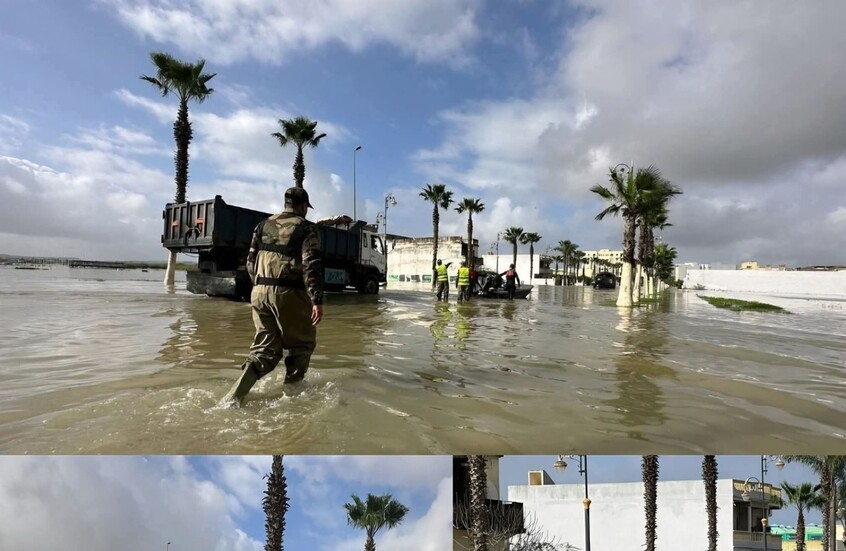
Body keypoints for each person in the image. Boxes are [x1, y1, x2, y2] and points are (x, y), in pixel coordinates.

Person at [221, 186, 324, 408]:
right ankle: (293, 398)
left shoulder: (262, 225)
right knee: (302, 346)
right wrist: (316, 300)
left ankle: (233, 397)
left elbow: (250, 262)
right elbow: (311, 265)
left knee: (264, 350)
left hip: (258, 292)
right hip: (288, 292)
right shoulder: (307, 228)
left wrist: (260, 286)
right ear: (303, 205)